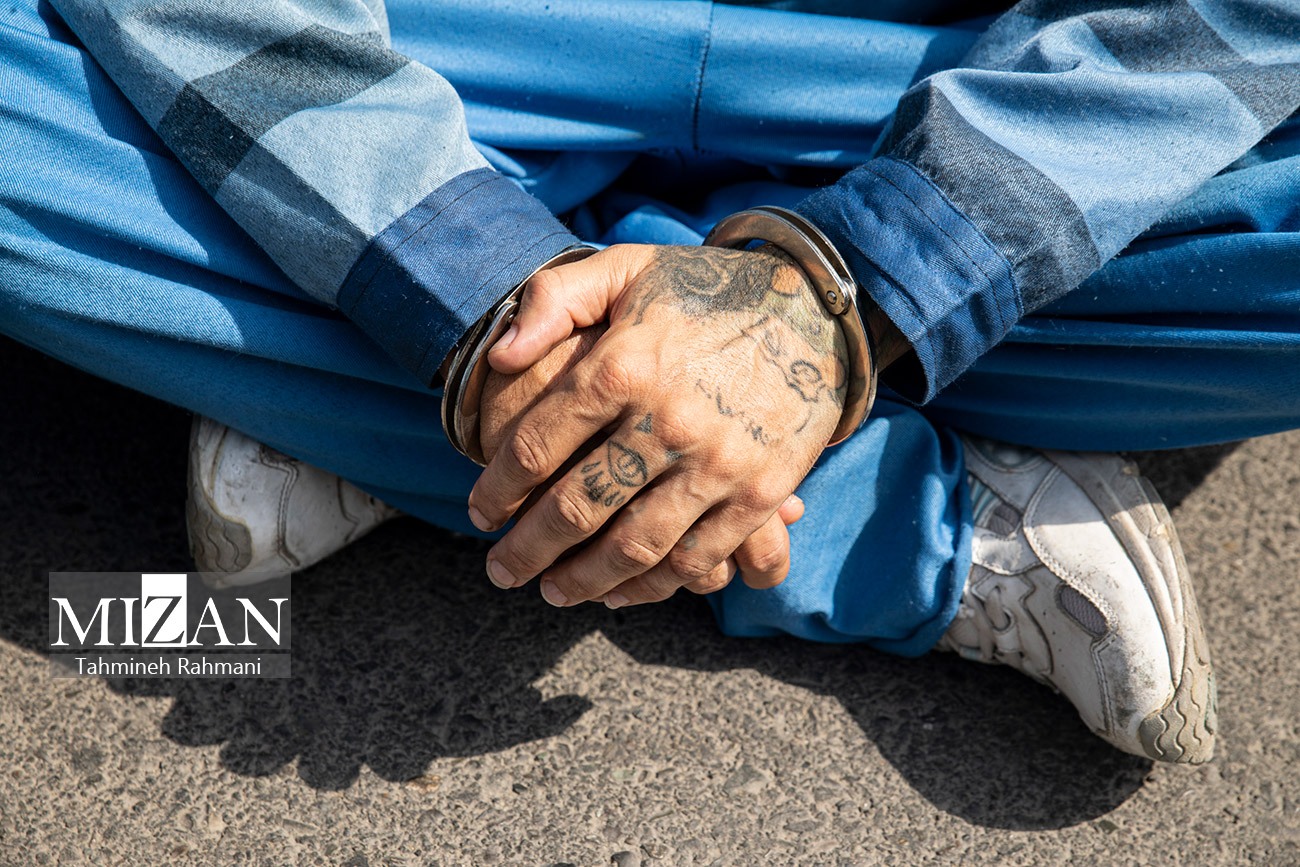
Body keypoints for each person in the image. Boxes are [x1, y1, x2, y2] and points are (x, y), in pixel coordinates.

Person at [4, 0, 1299, 764]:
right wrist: (471, 273)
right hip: (446, 41)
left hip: (964, 60)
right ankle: (892, 528)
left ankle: (371, 383)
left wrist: (852, 286)